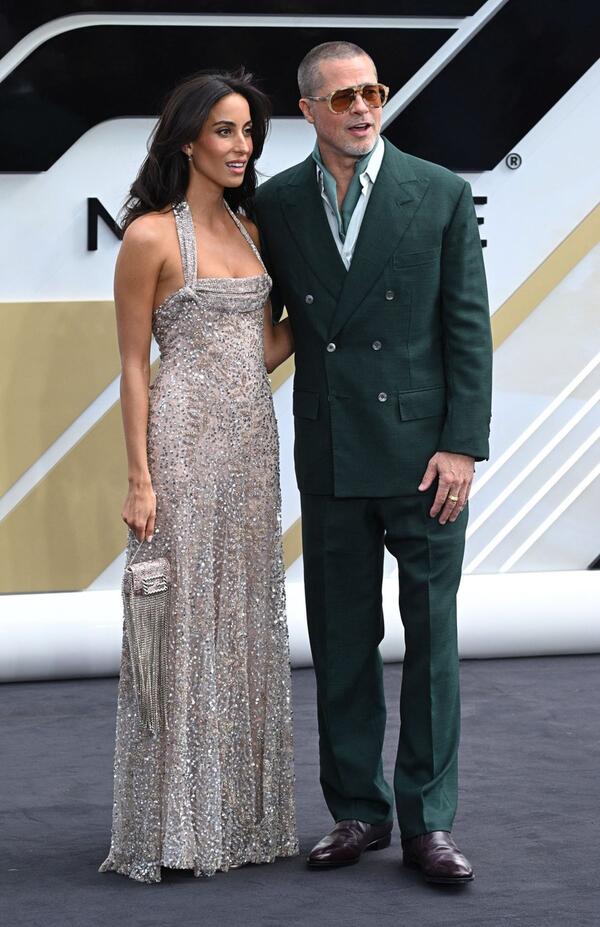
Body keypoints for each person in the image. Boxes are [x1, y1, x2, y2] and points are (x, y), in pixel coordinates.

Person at [253, 41, 492, 884]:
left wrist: (462, 444)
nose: (361, 108)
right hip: (333, 449)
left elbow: (467, 326)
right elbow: (269, 321)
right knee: (342, 639)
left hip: (426, 456)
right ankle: (357, 809)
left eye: (372, 92)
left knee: (432, 643)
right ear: (308, 110)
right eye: (342, 97)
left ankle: (429, 822)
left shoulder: (439, 191)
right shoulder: (276, 202)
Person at [99, 69, 298, 883]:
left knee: (243, 622)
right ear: (187, 140)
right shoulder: (150, 236)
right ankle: (172, 828)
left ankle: (236, 821)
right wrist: (139, 478)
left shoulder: (253, 229)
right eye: (224, 130)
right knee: (179, 629)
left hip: (251, 447)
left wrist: (325, 312)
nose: (241, 145)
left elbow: (261, 349)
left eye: (248, 131)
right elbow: (133, 366)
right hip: (180, 448)